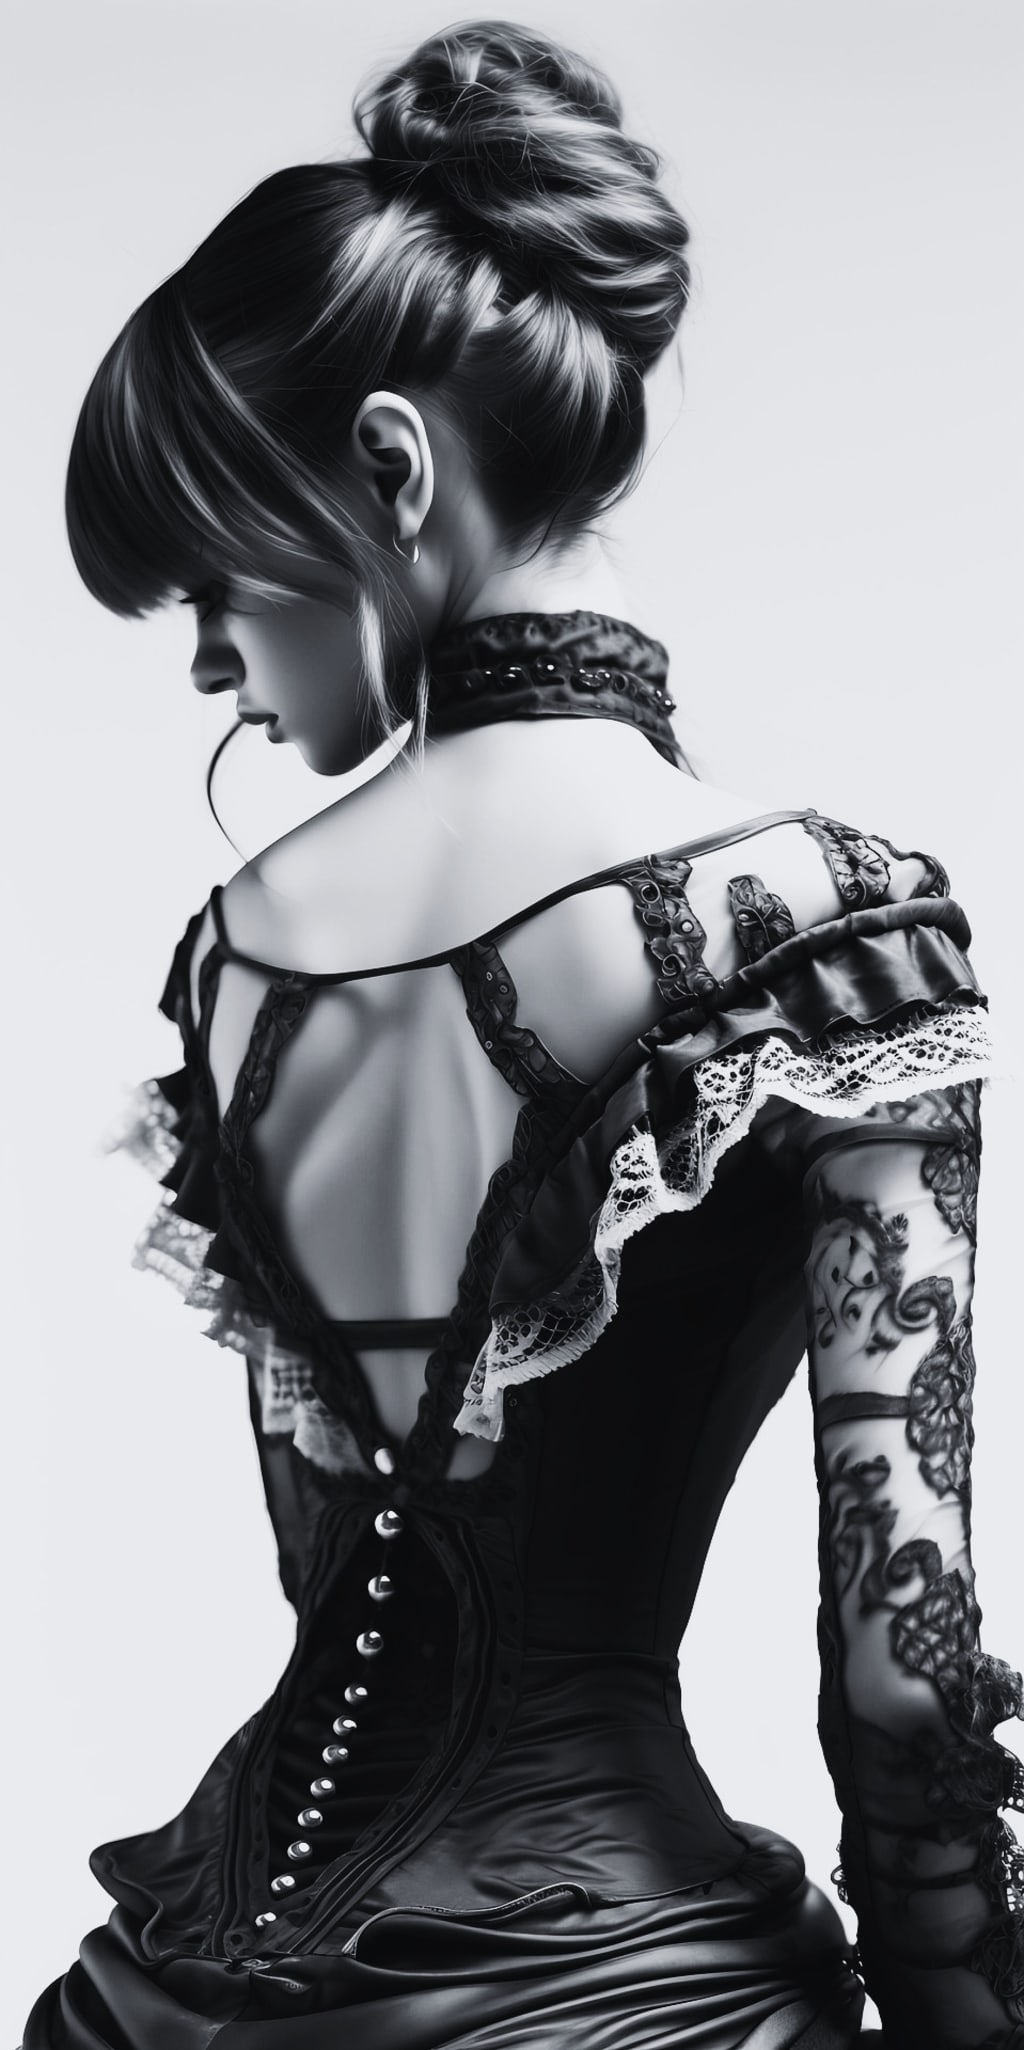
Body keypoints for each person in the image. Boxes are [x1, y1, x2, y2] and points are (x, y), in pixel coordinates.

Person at [22, 18, 1024, 2048]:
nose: (206, 659)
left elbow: (335, 1575)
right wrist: (960, 2009)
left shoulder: (236, 955)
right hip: (610, 1998)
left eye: (212, 579)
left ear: (394, 468)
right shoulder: (832, 936)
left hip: (152, 1997)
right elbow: (901, 1677)